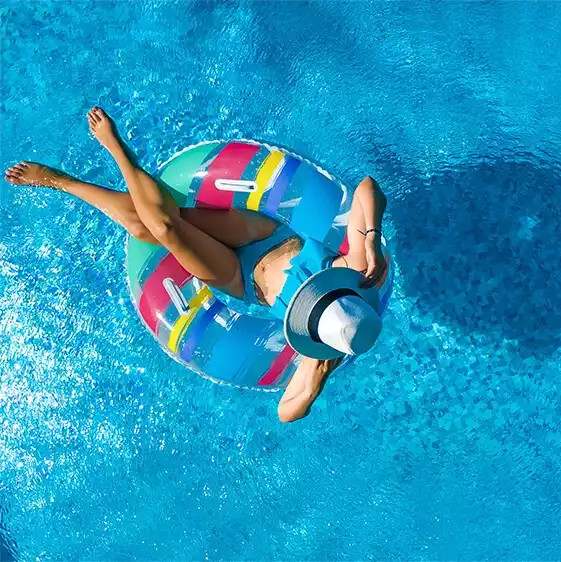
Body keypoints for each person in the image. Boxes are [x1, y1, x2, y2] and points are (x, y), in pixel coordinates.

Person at [4, 107, 388, 423]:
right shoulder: (359, 270)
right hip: (262, 235)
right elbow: (368, 187)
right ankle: (70, 178)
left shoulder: (320, 347)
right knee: (147, 225)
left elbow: (286, 412)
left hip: (237, 278)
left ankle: (109, 160)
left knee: (166, 228)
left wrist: (318, 376)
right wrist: (370, 239)